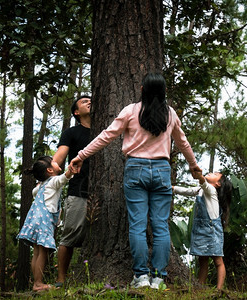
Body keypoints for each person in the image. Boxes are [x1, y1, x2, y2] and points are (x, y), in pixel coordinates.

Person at [69, 72, 201, 289]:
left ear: (142, 90)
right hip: (161, 170)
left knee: (138, 226)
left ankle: (141, 277)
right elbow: (183, 142)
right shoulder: (170, 115)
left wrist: (81, 155)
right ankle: (158, 278)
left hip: (135, 169)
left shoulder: (131, 111)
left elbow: (106, 136)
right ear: (164, 92)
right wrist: (194, 165)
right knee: (160, 226)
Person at [17, 156, 74, 292]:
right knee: (43, 251)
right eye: (53, 162)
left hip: (34, 219)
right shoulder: (53, 181)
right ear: (49, 170)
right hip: (44, 219)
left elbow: (33, 192)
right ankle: (38, 283)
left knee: (36, 252)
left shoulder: (41, 186)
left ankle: (36, 283)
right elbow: (63, 178)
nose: (57, 161)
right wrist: (71, 170)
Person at [52, 95, 91, 288]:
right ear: (76, 112)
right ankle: (61, 280)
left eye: (90, 100)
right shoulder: (71, 132)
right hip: (79, 190)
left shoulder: (106, 131)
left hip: (106, 191)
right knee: (69, 235)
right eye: (84, 102)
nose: (89, 102)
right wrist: (51, 168)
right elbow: (59, 156)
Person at [172, 171, 232, 290]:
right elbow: (187, 191)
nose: (211, 173)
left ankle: (219, 289)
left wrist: (199, 175)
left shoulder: (211, 190)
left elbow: (204, 183)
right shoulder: (201, 189)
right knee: (202, 260)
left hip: (212, 231)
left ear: (218, 184)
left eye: (215, 174)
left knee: (218, 260)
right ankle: (200, 287)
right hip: (200, 230)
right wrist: (172, 188)